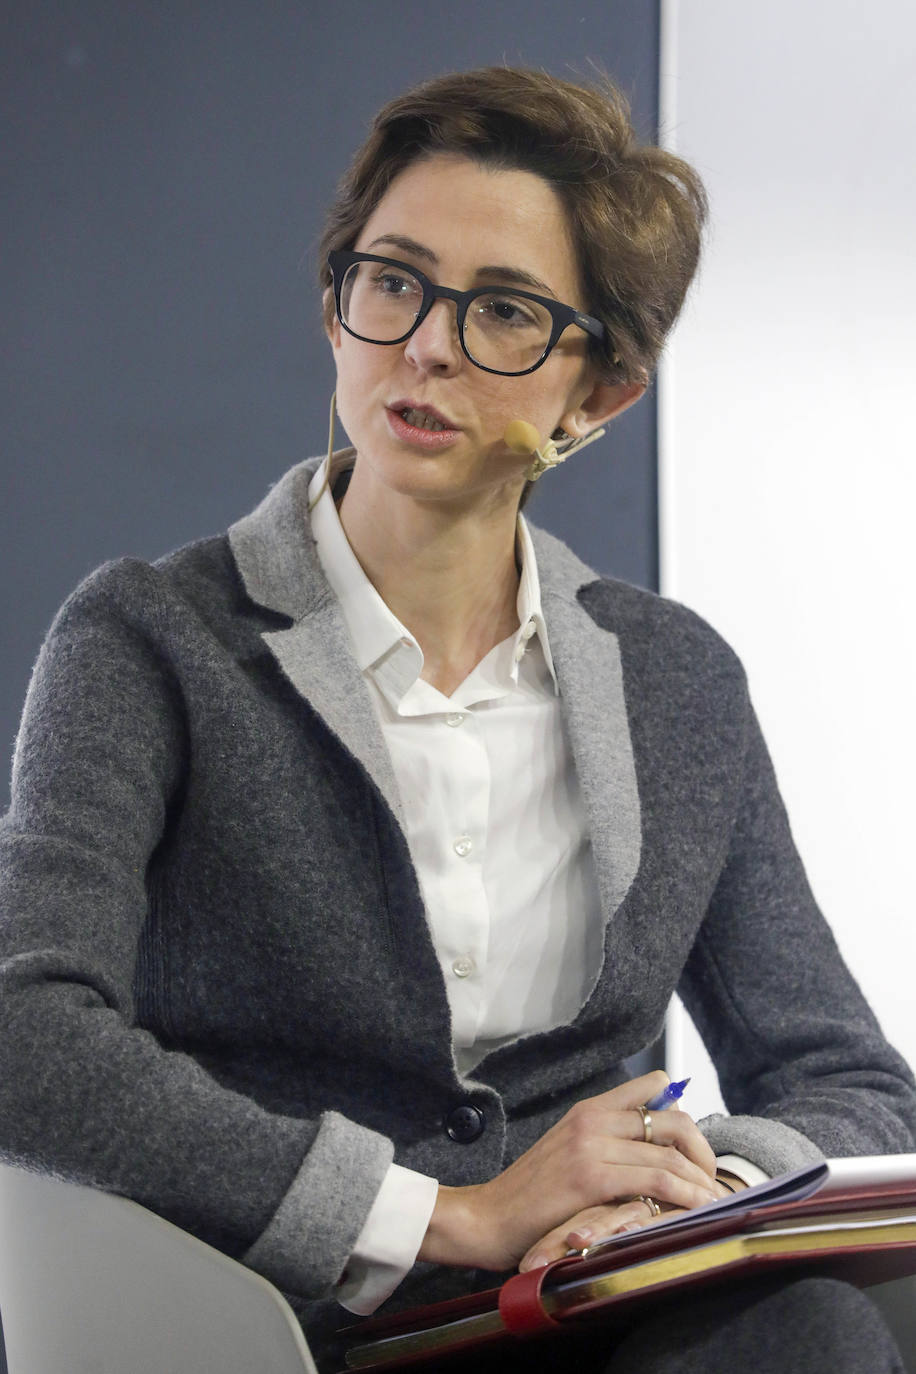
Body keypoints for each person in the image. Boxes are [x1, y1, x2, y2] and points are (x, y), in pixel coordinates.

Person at [0, 66, 913, 1373]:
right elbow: (24, 1033)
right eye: (394, 282)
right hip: (286, 1324)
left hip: (595, 1309)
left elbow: (849, 1074)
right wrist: (458, 1212)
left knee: (814, 1331)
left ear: (599, 393)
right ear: (334, 306)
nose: (425, 344)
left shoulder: (680, 682)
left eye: (503, 312)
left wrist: (686, 1180)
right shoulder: (151, 639)